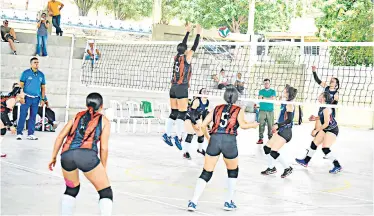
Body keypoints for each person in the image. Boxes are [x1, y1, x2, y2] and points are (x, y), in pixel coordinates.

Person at [187, 86, 259, 211]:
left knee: (206, 172)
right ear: (236, 98)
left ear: (224, 96)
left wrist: (209, 138)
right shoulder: (238, 109)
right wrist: (253, 125)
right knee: (232, 171)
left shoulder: (216, 108)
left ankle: (193, 202)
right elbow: (242, 125)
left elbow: (203, 125)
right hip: (229, 141)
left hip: (215, 139)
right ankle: (228, 201)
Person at [48, 93, 113, 215]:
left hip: (66, 156)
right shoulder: (104, 121)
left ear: (86, 104)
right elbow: (104, 148)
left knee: (72, 189)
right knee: (105, 192)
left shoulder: (76, 117)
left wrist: (53, 157)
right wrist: (103, 167)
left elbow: (60, 137)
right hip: (86, 156)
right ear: (102, 106)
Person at [162, 23, 202, 150]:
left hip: (173, 87)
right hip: (181, 87)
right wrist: (198, 33)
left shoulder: (176, 57)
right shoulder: (187, 56)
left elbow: (182, 46)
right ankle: (178, 137)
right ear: (185, 50)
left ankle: (167, 135)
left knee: (173, 112)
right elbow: (194, 46)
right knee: (182, 113)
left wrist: (188, 32)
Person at [295, 92, 342, 174]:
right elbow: (322, 117)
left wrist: (317, 130)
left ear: (324, 98)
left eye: (320, 95)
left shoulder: (327, 109)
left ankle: (337, 166)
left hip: (332, 129)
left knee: (325, 148)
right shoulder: (322, 107)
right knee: (314, 143)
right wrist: (315, 118)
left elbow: (326, 123)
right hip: (326, 128)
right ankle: (305, 161)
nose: (318, 96)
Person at [260, 85, 297, 178]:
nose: (283, 90)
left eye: (285, 90)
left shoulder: (290, 104)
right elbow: (282, 117)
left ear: (287, 93)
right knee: (267, 148)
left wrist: (278, 125)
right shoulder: (284, 102)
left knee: (273, 152)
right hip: (280, 129)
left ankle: (287, 168)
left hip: (286, 132)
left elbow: (289, 120)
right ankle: (271, 168)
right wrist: (276, 125)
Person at [16, 57, 46, 140]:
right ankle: (19, 133)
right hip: (26, 98)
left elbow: (43, 88)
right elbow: (21, 85)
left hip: (36, 98)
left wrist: (43, 99)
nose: (37, 64)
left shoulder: (41, 75)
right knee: (23, 115)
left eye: (38, 62)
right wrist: (21, 96)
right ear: (31, 64)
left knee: (33, 116)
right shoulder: (25, 73)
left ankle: (31, 133)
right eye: (35, 62)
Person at [182, 88, 210, 159]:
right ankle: (185, 152)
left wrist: (206, 124)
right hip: (188, 117)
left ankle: (200, 150)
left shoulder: (207, 102)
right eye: (204, 92)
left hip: (196, 118)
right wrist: (194, 123)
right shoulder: (197, 101)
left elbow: (204, 113)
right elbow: (191, 113)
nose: (206, 93)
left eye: (207, 92)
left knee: (201, 134)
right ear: (200, 93)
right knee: (190, 133)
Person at [1, 85, 24, 157]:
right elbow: (3, 113)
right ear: (18, 94)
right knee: (2, 130)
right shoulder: (12, 99)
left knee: (2, 130)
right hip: (1, 113)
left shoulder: (13, 98)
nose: (24, 94)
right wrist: (10, 125)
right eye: (23, 93)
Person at [257, 79, 276, 144]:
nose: (266, 84)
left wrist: (263, 98)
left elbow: (272, 99)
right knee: (261, 125)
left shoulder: (273, 91)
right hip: (262, 110)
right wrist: (268, 98)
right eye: (265, 83)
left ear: (269, 84)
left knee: (270, 125)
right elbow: (260, 98)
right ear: (263, 84)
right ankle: (260, 138)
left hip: (270, 111)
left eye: (267, 83)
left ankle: (270, 139)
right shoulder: (261, 91)